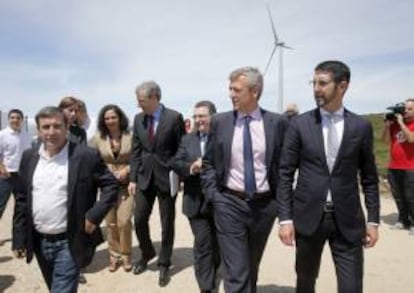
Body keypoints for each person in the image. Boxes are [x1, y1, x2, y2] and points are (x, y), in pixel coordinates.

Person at [277, 60, 380, 293]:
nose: (316, 88)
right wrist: (285, 219)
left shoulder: (361, 126)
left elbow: (370, 178)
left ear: (342, 86)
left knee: (352, 286)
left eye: (322, 83)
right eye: (314, 83)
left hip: (349, 220)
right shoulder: (300, 124)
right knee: (305, 282)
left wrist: (373, 221)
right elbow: (285, 174)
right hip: (308, 218)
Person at [12, 106, 118, 293]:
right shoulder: (29, 157)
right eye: (46, 127)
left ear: (67, 127)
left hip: (71, 241)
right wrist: (19, 238)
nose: (51, 132)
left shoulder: (85, 156)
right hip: (39, 241)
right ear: (38, 130)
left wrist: (94, 216)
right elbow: (21, 199)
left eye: (57, 126)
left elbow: (111, 186)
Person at [201, 67, 288, 293]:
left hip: (265, 206)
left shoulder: (277, 124)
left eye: (237, 90)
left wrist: (282, 209)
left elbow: (284, 168)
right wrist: (214, 196)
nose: (231, 94)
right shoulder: (220, 122)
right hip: (229, 203)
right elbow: (208, 162)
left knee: (250, 264)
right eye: (230, 89)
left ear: (255, 91)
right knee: (236, 271)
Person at [128, 81, 185, 287]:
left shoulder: (174, 117)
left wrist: (174, 168)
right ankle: (147, 252)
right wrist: (133, 178)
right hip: (144, 178)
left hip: (166, 177)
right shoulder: (138, 119)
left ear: (155, 98)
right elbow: (136, 151)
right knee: (139, 219)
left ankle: (164, 263)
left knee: (167, 222)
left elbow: (182, 147)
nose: (138, 105)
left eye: (141, 101)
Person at [171, 100, 220, 293]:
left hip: (220, 202)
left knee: (217, 244)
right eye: (196, 116)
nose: (198, 120)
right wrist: (192, 167)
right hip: (195, 202)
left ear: (213, 117)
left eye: (202, 116)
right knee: (202, 244)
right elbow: (176, 162)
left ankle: (214, 267)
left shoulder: (223, 136)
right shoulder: (187, 140)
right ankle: (206, 287)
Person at [90, 104, 134, 272]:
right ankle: (114, 256)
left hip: (126, 185)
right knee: (110, 223)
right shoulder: (98, 138)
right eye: (107, 118)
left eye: (113, 117)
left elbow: (138, 157)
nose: (110, 121)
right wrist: (104, 171)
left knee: (124, 221)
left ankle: (126, 255)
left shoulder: (131, 136)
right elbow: (92, 159)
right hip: (106, 186)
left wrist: (127, 170)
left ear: (120, 118)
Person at [382, 98, 414, 233]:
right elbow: (384, 141)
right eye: (405, 108)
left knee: (410, 196)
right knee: (398, 196)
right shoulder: (395, 125)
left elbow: (411, 139)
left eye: (409, 109)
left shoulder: (408, 124)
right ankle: (403, 220)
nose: (405, 111)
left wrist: (401, 123)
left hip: (410, 167)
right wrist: (387, 126)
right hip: (394, 166)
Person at [0, 109, 32, 219]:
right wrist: (2, 168)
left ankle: (19, 235)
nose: (15, 120)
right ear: (9, 119)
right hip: (5, 176)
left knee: (21, 207)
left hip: (22, 176)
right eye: (12, 117)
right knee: (0, 205)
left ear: (22, 120)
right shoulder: (2, 135)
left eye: (18, 118)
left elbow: (29, 154)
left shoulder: (26, 135)